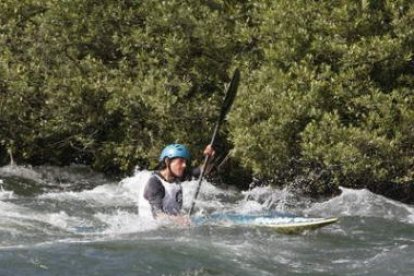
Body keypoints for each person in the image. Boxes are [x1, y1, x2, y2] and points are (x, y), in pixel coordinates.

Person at [139, 143, 215, 225]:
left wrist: (209, 158)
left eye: (185, 162)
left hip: (171, 225)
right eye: (180, 161)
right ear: (167, 161)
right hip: (153, 229)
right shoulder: (154, 183)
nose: (184, 165)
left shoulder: (176, 176)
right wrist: (179, 220)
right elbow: (157, 216)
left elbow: (203, 171)